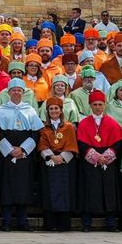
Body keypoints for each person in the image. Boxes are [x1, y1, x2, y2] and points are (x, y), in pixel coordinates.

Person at [0, 79, 41, 231]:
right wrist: (9, 150)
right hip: (6, 154)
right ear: (8, 92)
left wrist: (23, 149)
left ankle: (23, 221)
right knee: (6, 184)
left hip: (24, 154)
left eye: (19, 90)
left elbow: (35, 133)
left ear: (23, 92)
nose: (16, 92)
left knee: (24, 185)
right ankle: (6, 221)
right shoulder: (1, 110)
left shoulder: (30, 110)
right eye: (13, 90)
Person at [75, 90, 122, 232]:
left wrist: (106, 157)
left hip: (108, 162)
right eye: (94, 104)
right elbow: (82, 144)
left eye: (100, 104)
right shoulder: (84, 123)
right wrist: (96, 157)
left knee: (109, 192)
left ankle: (111, 223)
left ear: (104, 105)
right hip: (90, 163)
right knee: (89, 190)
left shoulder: (112, 123)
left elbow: (118, 143)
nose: (97, 107)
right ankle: (86, 223)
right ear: (90, 105)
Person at [38, 98, 79, 231]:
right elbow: (42, 144)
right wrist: (51, 156)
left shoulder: (69, 127)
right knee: (49, 192)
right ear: (47, 111)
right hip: (49, 163)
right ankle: (50, 224)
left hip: (65, 164)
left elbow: (72, 144)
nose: (54, 111)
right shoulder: (44, 128)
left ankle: (63, 224)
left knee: (64, 192)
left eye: (56, 108)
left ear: (61, 110)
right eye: (51, 109)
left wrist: (61, 157)